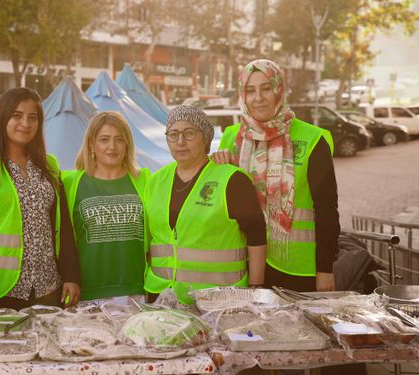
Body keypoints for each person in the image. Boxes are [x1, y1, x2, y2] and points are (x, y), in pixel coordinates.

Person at [213, 59, 339, 293]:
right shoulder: (231, 139)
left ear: (279, 90)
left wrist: (325, 270)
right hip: (245, 262)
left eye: (266, 88)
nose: (258, 97)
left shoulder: (312, 139)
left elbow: (327, 211)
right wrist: (221, 169)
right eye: (250, 90)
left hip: (297, 268)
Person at [0, 87, 81, 309]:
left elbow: (63, 226)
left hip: (48, 286)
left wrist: (71, 276)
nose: (25, 123)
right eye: (17, 116)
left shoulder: (50, 165)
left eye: (32, 117)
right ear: (2, 118)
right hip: (0, 289)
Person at [144, 105, 267, 305]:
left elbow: (257, 235)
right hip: (162, 296)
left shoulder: (232, 180)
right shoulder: (155, 181)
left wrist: (255, 287)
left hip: (220, 298)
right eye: (173, 134)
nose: (180, 141)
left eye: (189, 133)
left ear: (206, 137)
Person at [61, 112, 149, 303]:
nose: (112, 147)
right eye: (104, 140)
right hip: (86, 294)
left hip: (135, 290)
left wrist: (223, 161)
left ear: (128, 144)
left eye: (119, 140)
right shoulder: (69, 183)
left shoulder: (146, 181)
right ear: (92, 143)